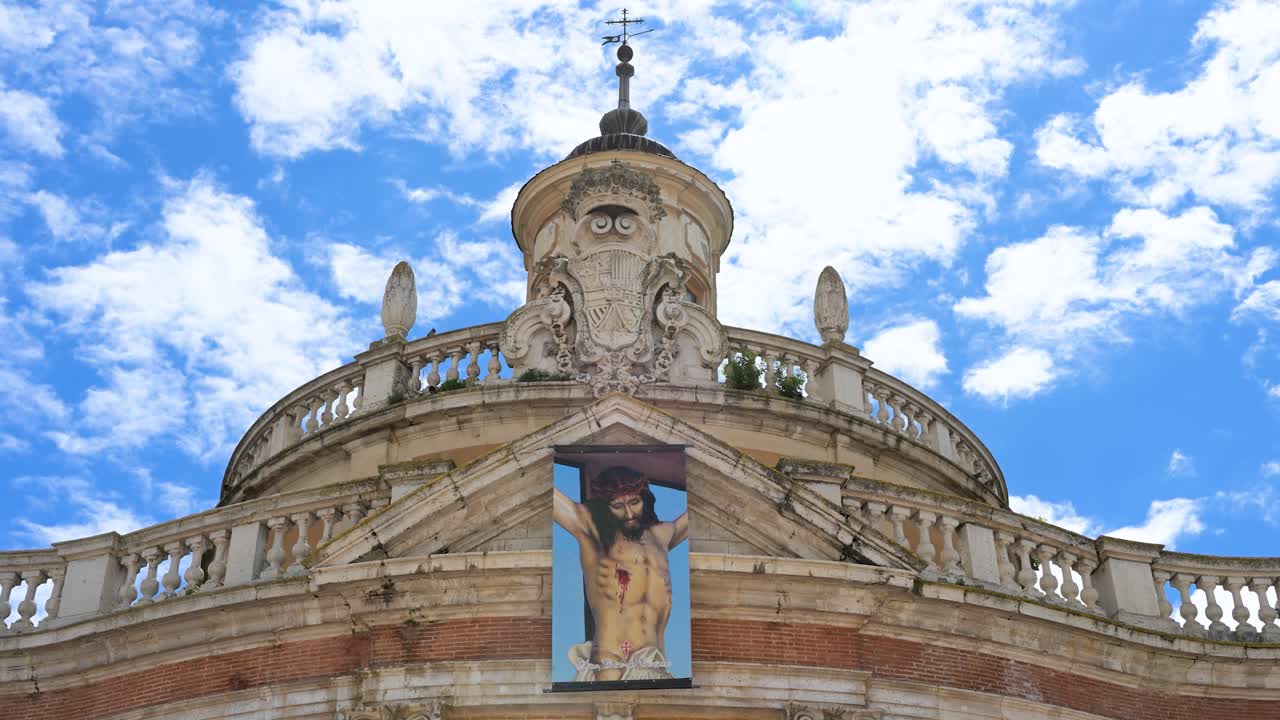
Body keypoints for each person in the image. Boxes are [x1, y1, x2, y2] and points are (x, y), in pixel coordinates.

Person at [553, 465, 689, 681]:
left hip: (654, 665)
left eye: (634, 502)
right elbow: (550, 497)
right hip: (610, 664)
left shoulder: (662, 536)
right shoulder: (593, 532)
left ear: (644, 498)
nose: (628, 513)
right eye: (617, 506)